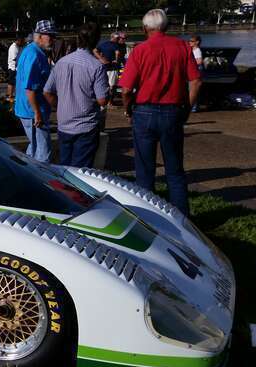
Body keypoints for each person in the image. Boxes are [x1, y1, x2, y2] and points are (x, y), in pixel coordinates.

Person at [120, 9, 202, 216]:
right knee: (174, 170)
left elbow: (127, 89)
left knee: (145, 170)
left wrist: (128, 108)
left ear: (145, 28)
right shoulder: (183, 47)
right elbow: (196, 81)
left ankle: (148, 218)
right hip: (173, 111)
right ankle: (182, 218)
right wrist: (187, 109)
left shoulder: (139, 50)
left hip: (144, 111)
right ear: (166, 26)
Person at [43, 23, 110, 168]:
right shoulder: (96, 66)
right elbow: (102, 100)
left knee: (65, 168)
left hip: (64, 124)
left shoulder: (61, 62)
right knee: (81, 173)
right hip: (86, 126)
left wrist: (59, 105)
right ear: (96, 40)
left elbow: (47, 91)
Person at [14, 20, 56, 163]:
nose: (53, 39)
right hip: (32, 111)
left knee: (35, 147)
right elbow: (30, 89)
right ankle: (41, 180)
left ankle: (27, 175)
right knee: (43, 152)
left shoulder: (32, 50)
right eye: (49, 35)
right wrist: (37, 113)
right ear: (38, 36)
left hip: (30, 110)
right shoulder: (34, 55)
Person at [95, 32, 122, 103]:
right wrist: (116, 60)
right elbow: (117, 53)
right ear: (113, 37)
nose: (119, 39)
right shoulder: (116, 45)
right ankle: (110, 102)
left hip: (105, 67)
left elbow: (95, 51)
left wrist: (100, 58)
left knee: (106, 85)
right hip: (113, 68)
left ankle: (105, 101)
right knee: (112, 86)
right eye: (117, 38)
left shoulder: (103, 44)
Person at [6, 36, 25, 100]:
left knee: (15, 82)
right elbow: (15, 59)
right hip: (13, 67)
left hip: (17, 67)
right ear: (18, 41)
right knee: (11, 82)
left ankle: (13, 95)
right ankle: (9, 96)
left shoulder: (19, 46)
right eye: (21, 41)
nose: (22, 43)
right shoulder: (13, 47)